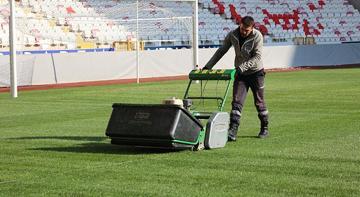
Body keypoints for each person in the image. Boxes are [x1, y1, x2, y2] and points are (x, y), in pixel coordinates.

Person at [202, 16, 269, 141]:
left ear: (252, 28)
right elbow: (221, 50)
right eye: (242, 29)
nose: (244, 32)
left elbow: (257, 57)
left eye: (247, 30)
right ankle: (233, 130)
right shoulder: (232, 35)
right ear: (240, 25)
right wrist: (208, 66)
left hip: (256, 73)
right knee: (237, 102)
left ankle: (264, 128)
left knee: (259, 102)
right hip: (241, 75)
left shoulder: (257, 36)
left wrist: (241, 67)